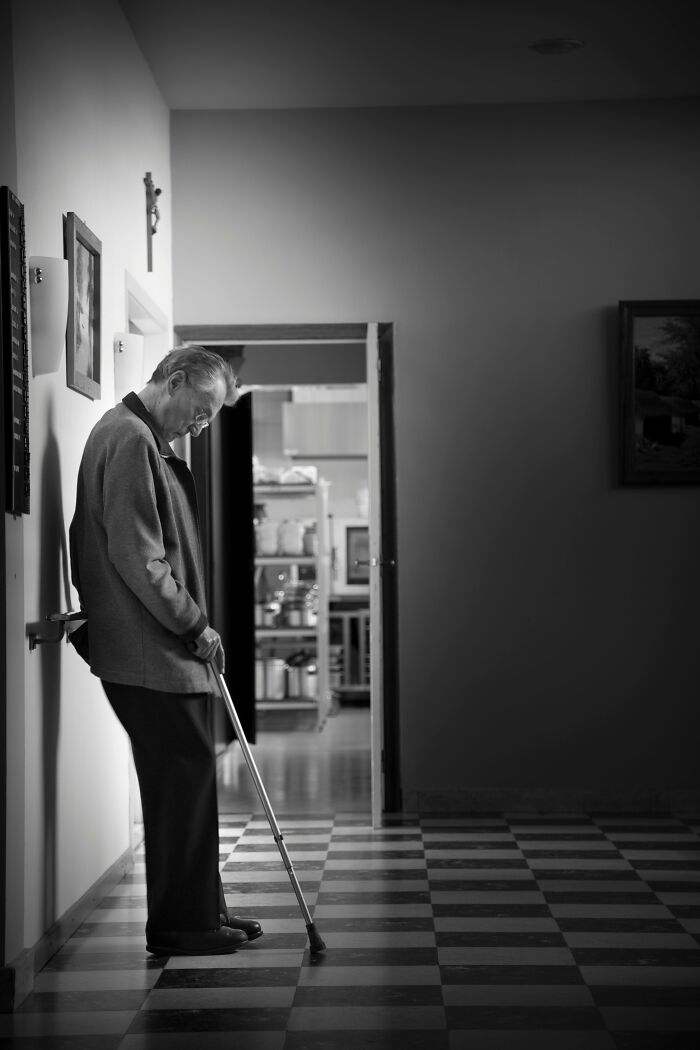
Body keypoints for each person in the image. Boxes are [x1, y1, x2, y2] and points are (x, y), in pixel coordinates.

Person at [69, 345, 262, 956]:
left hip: (156, 650)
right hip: (149, 650)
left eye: (212, 417)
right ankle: (184, 925)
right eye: (201, 410)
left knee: (189, 779)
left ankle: (205, 911)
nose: (202, 425)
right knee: (183, 779)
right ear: (173, 381)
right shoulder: (128, 439)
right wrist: (195, 625)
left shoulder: (145, 439)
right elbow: (140, 557)